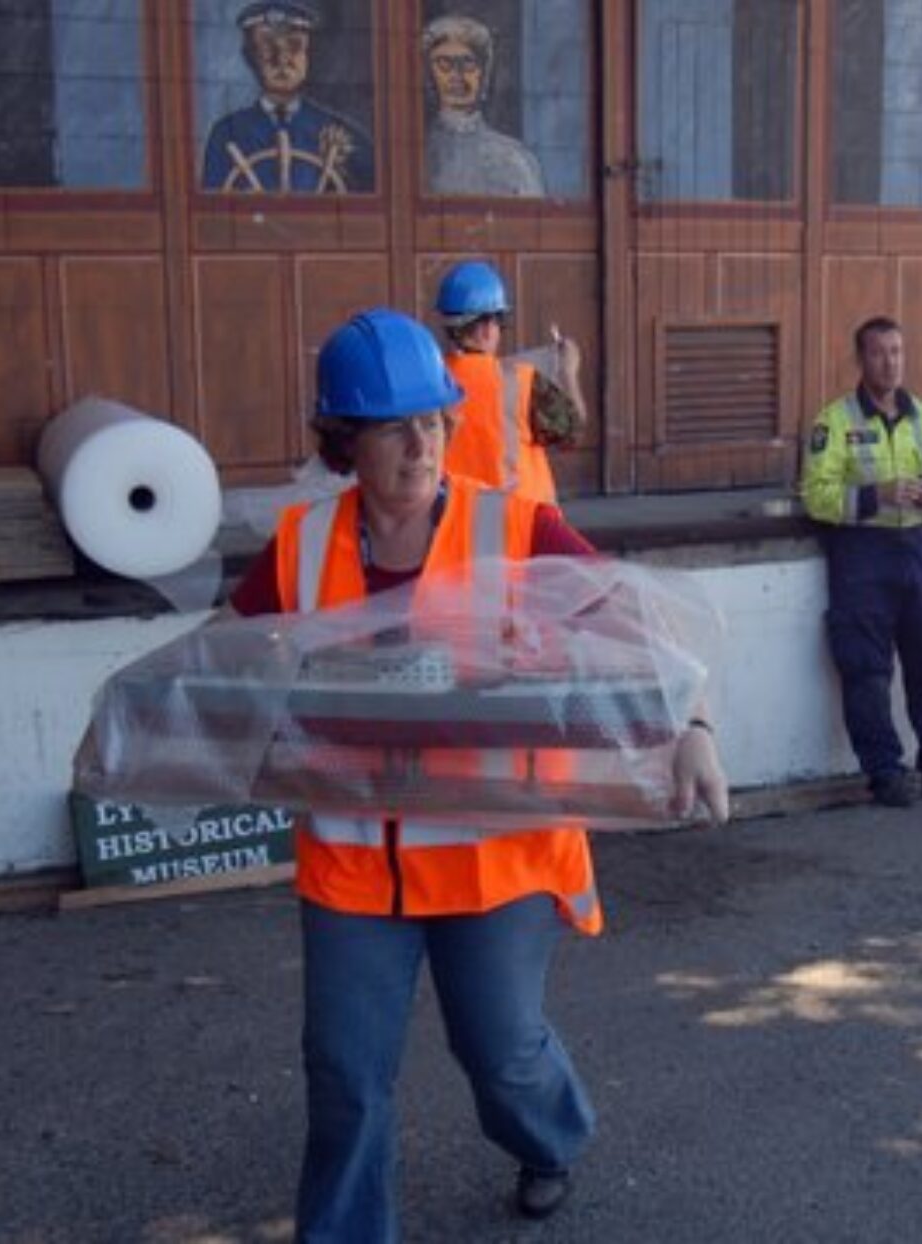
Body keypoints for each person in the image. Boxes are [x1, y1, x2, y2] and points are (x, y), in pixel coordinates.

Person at [227, 308, 729, 1239]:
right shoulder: (300, 546)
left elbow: (637, 621)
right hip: (352, 867)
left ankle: (550, 1137)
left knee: (499, 1052)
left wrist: (689, 722)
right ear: (344, 440)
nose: (419, 446)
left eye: (432, 421)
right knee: (343, 1074)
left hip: (496, 855)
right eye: (390, 426)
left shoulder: (515, 527)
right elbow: (234, 655)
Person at [800, 316, 922, 809]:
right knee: (866, 667)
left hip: (914, 546)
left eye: (897, 352)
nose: (890, 363)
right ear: (860, 360)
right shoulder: (835, 421)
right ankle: (884, 771)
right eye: (879, 353)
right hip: (861, 551)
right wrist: (875, 494)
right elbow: (815, 496)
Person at [434, 259, 585, 504]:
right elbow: (572, 431)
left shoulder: (428, 383)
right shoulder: (521, 381)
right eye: (499, 322)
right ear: (485, 327)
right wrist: (569, 371)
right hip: (518, 526)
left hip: (454, 526)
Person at [201, 2, 374, 194]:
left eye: (294, 45)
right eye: (267, 45)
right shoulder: (226, 134)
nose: (282, 59)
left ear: (309, 55)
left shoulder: (340, 133)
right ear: (250, 56)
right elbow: (213, 209)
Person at [421, 14, 546, 198]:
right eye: (444, 64)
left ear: (484, 74)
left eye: (468, 63)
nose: (457, 75)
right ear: (428, 75)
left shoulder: (514, 159)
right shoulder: (418, 156)